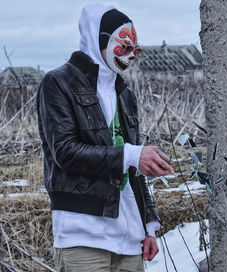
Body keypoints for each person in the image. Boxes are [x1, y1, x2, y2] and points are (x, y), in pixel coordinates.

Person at [37, 4, 174, 271]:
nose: (130, 57)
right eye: (124, 48)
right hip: (83, 234)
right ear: (98, 40)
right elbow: (64, 152)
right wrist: (134, 154)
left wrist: (149, 225)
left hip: (129, 236)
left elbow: (133, 167)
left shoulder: (125, 94)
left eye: (136, 50)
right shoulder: (57, 83)